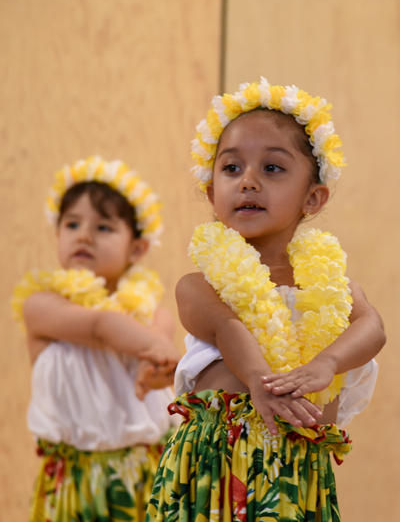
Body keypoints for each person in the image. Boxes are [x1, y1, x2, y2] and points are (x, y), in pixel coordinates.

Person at [145, 79, 386, 522]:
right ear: (211, 191)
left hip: (299, 471)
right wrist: (259, 379)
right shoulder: (200, 285)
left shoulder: (333, 289)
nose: (248, 181)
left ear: (312, 198)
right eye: (231, 168)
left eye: (272, 168)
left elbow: (372, 326)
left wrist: (327, 364)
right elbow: (227, 327)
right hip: (219, 464)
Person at [12, 156, 181, 522]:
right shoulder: (42, 306)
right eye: (72, 224)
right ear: (57, 234)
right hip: (76, 480)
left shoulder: (152, 315)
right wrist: (159, 350)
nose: (84, 235)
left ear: (136, 249)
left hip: (147, 473)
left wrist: (159, 367)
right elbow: (101, 326)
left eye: (103, 227)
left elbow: (161, 362)